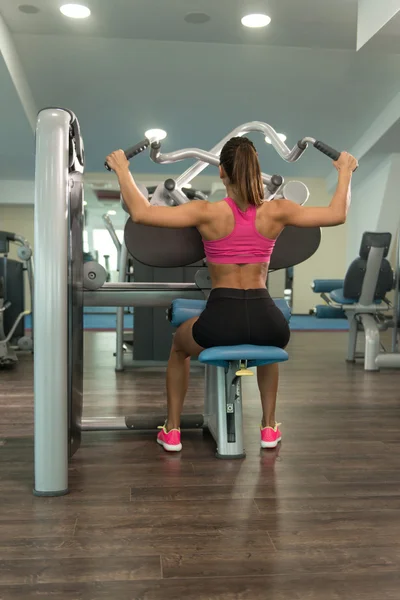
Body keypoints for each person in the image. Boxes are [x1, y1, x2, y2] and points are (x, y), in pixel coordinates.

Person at [106, 137, 358, 453]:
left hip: (220, 319)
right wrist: (345, 170)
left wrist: (122, 168)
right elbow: (337, 214)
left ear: (223, 173)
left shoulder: (205, 212)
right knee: (268, 342)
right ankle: (269, 427)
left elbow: (141, 213)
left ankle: (172, 430)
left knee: (179, 347)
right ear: (257, 171)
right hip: (268, 319)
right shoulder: (278, 211)